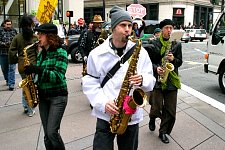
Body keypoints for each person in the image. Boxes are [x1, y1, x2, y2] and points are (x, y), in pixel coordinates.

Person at [82, 5, 156, 150]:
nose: (128, 29)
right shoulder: (96, 54)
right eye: (123, 25)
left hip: (131, 115)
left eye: (130, 25)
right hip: (106, 114)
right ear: (113, 28)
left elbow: (151, 80)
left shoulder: (141, 52)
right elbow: (90, 83)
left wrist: (143, 80)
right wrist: (103, 103)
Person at [24, 23, 68, 150]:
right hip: (44, 96)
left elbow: (58, 76)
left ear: (50, 36)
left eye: (41, 34)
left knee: (52, 132)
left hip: (58, 97)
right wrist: (31, 77)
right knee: (46, 135)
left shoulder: (61, 52)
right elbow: (40, 74)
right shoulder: (42, 52)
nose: (38, 37)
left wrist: (38, 70)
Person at [145, 19, 183, 144]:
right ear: (161, 29)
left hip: (171, 80)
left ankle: (163, 132)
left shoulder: (176, 44)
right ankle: (152, 117)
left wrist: (173, 60)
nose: (169, 30)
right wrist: (156, 68)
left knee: (170, 110)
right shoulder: (154, 43)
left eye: (171, 28)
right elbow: (148, 62)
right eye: (167, 28)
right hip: (158, 80)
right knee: (156, 107)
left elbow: (180, 62)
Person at [8, 15, 38, 117]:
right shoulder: (34, 37)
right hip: (33, 65)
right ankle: (30, 109)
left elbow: (11, 52)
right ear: (30, 25)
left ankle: (25, 106)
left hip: (22, 65)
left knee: (26, 86)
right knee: (30, 87)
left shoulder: (17, 37)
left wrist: (17, 60)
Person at [0, 19, 17, 90]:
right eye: (7, 24)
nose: (9, 26)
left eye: (10, 24)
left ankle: (11, 84)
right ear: (4, 24)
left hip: (12, 53)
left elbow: (17, 40)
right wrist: (5, 44)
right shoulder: (0, 31)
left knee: (12, 69)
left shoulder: (14, 31)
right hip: (3, 53)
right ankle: (7, 79)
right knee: (4, 68)